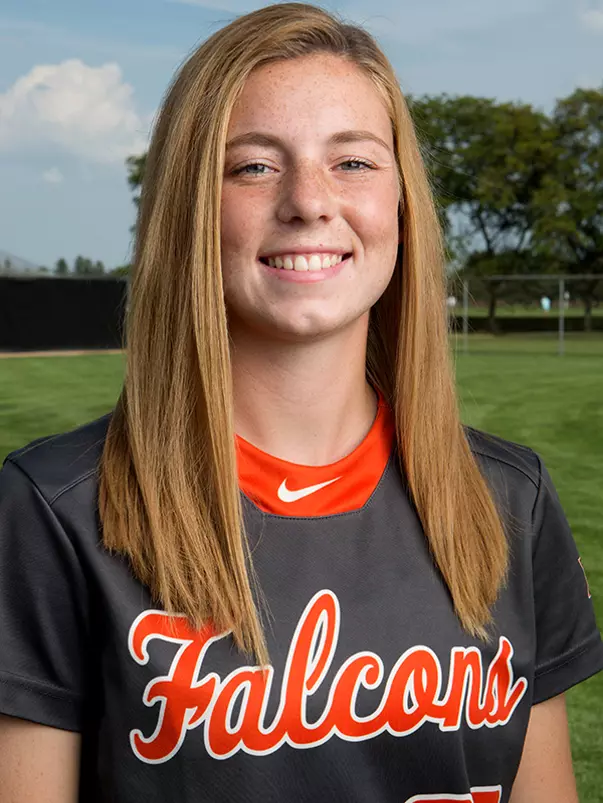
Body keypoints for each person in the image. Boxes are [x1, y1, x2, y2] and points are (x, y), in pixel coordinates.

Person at [0, 4, 601, 802]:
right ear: (189, 209)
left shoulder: (508, 500)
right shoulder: (56, 512)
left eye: (352, 162)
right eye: (252, 165)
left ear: (400, 203)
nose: (309, 201)